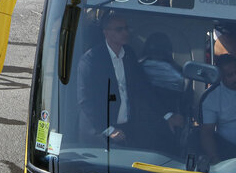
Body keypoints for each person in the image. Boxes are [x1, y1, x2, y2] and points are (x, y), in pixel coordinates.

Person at [76, 11, 184, 150]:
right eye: (119, 29)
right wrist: (108, 130)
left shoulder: (129, 54)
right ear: (106, 32)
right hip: (99, 135)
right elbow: (85, 100)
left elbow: (144, 88)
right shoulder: (91, 60)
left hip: (126, 130)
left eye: (126, 28)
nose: (125, 32)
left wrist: (167, 115)